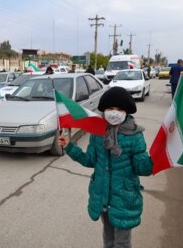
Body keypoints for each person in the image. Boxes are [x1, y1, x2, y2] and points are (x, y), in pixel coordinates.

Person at [58, 87, 153, 248]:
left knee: (122, 243)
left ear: (126, 111)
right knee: (108, 239)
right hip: (102, 197)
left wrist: (153, 160)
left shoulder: (135, 135)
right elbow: (89, 160)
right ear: (104, 110)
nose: (114, 113)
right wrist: (69, 147)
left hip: (124, 199)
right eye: (110, 109)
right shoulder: (98, 132)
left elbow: (142, 168)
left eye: (119, 109)